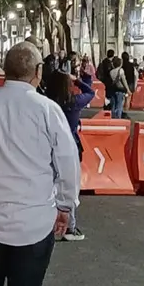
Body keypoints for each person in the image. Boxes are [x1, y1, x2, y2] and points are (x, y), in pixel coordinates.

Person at [0, 41, 79, 286]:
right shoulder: (47, 110)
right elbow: (68, 163)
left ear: (4, 69)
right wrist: (65, 206)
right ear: (38, 71)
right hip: (34, 224)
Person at [45, 70, 95, 241]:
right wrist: (78, 81)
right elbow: (91, 92)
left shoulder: (46, 103)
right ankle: (70, 227)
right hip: (71, 145)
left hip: (47, 146)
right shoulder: (73, 102)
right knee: (69, 184)